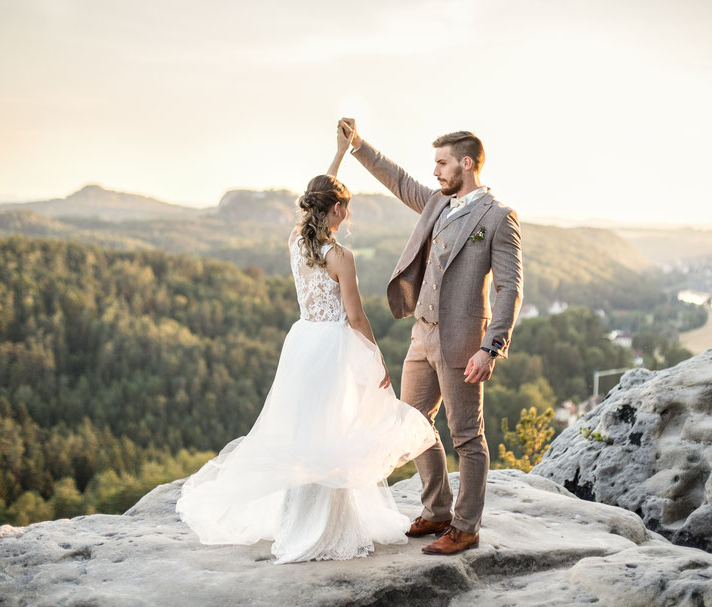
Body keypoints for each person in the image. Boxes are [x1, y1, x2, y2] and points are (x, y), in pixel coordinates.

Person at [175, 125, 436, 564]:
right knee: (333, 435)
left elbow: (318, 195)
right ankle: (326, 531)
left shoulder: (297, 242)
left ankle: (299, 523)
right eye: (345, 210)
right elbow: (355, 317)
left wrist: (338, 154)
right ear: (336, 210)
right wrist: (376, 358)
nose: (346, 218)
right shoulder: (342, 258)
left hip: (302, 346)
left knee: (305, 435)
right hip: (334, 348)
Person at [338, 118, 523, 555]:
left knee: (467, 437)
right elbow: (399, 181)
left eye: (442, 163)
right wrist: (359, 146)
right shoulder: (437, 204)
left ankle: (466, 526)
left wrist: (490, 347)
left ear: (466, 163)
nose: (435, 172)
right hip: (422, 336)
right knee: (413, 426)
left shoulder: (498, 217)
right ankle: (438, 510)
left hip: (463, 343)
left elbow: (510, 287)